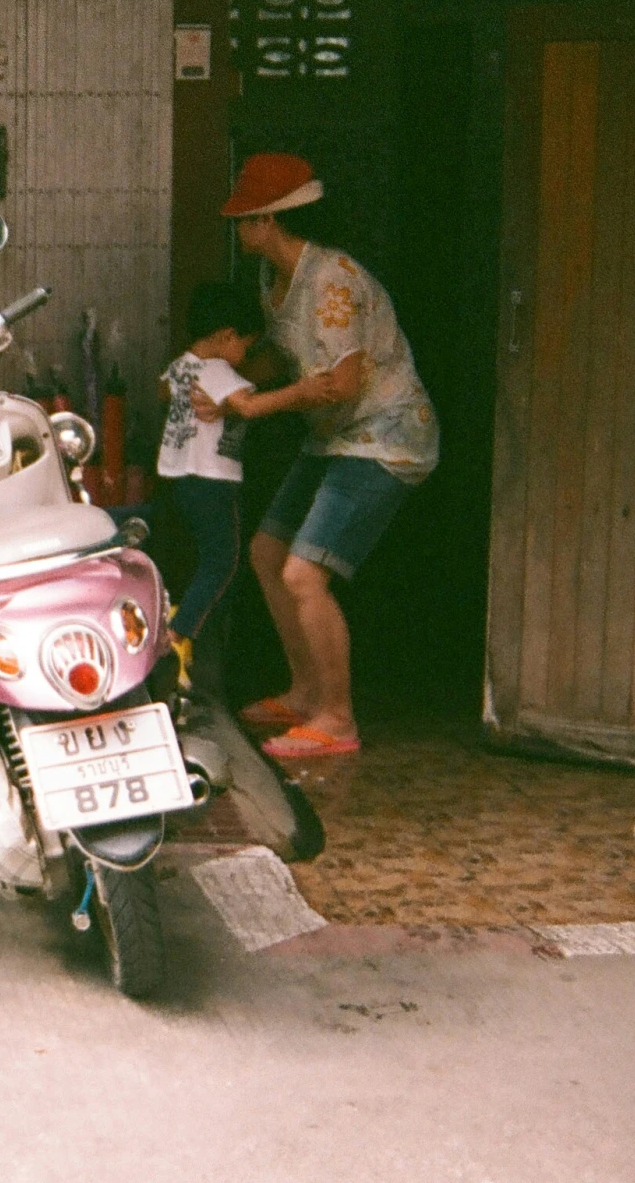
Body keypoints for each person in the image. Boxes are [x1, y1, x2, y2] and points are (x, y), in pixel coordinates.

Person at [198, 152, 438, 760]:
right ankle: (305, 694)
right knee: (266, 551)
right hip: (333, 436)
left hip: (383, 436)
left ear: (270, 221)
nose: (239, 230)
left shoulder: (332, 281)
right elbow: (286, 357)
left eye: (244, 219)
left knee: (306, 574)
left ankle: (337, 718)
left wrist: (259, 405)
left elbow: (343, 383)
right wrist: (219, 374)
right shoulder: (271, 280)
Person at [156, 281, 262, 695]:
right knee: (223, 561)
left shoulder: (182, 365)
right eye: (246, 345)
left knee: (198, 559)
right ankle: (177, 639)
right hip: (213, 481)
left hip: (180, 478)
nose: (246, 356)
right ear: (226, 336)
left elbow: (163, 389)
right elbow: (251, 405)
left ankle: (180, 629)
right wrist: (304, 391)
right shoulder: (218, 371)